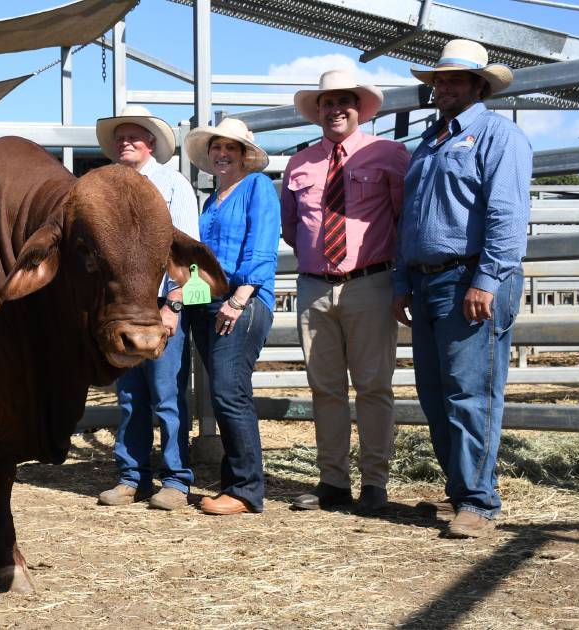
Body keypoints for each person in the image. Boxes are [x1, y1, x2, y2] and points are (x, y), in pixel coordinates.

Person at [393, 39, 531, 539]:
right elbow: (409, 221)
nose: (444, 87)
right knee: (435, 393)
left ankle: (478, 501)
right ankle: (461, 491)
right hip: (428, 280)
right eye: (439, 80)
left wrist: (488, 279)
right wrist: (402, 279)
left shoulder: (499, 136)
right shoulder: (428, 144)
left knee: (471, 392)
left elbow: (507, 215)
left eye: (454, 79)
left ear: (479, 85)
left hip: (469, 277)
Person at [280, 70, 409, 515]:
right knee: (325, 388)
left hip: (370, 282)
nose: (335, 110)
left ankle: (375, 481)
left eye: (344, 102)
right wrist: (318, 262)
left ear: (359, 109)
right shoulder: (300, 164)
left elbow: (402, 218)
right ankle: (332, 481)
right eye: (327, 102)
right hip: (315, 287)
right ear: (317, 110)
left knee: (374, 386)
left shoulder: (388, 155)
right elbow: (292, 228)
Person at [93, 105, 199, 511]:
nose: (126, 142)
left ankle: (176, 479)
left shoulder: (174, 184)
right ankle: (131, 477)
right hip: (123, 305)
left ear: (151, 143)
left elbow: (189, 251)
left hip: (161, 303)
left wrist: (176, 304)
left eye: (134, 136)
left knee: (166, 393)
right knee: (131, 395)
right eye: (121, 136)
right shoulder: (106, 187)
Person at [182, 118, 278, 516]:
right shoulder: (211, 200)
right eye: (217, 148)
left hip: (242, 300)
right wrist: (186, 301)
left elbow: (262, 245)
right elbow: (200, 261)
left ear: (244, 156)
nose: (222, 154)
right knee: (224, 394)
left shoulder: (258, 187)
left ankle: (246, 489)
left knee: (229, 392)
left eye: (231, 148)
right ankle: (235, 483)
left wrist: (239, 299)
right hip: (208, 303)